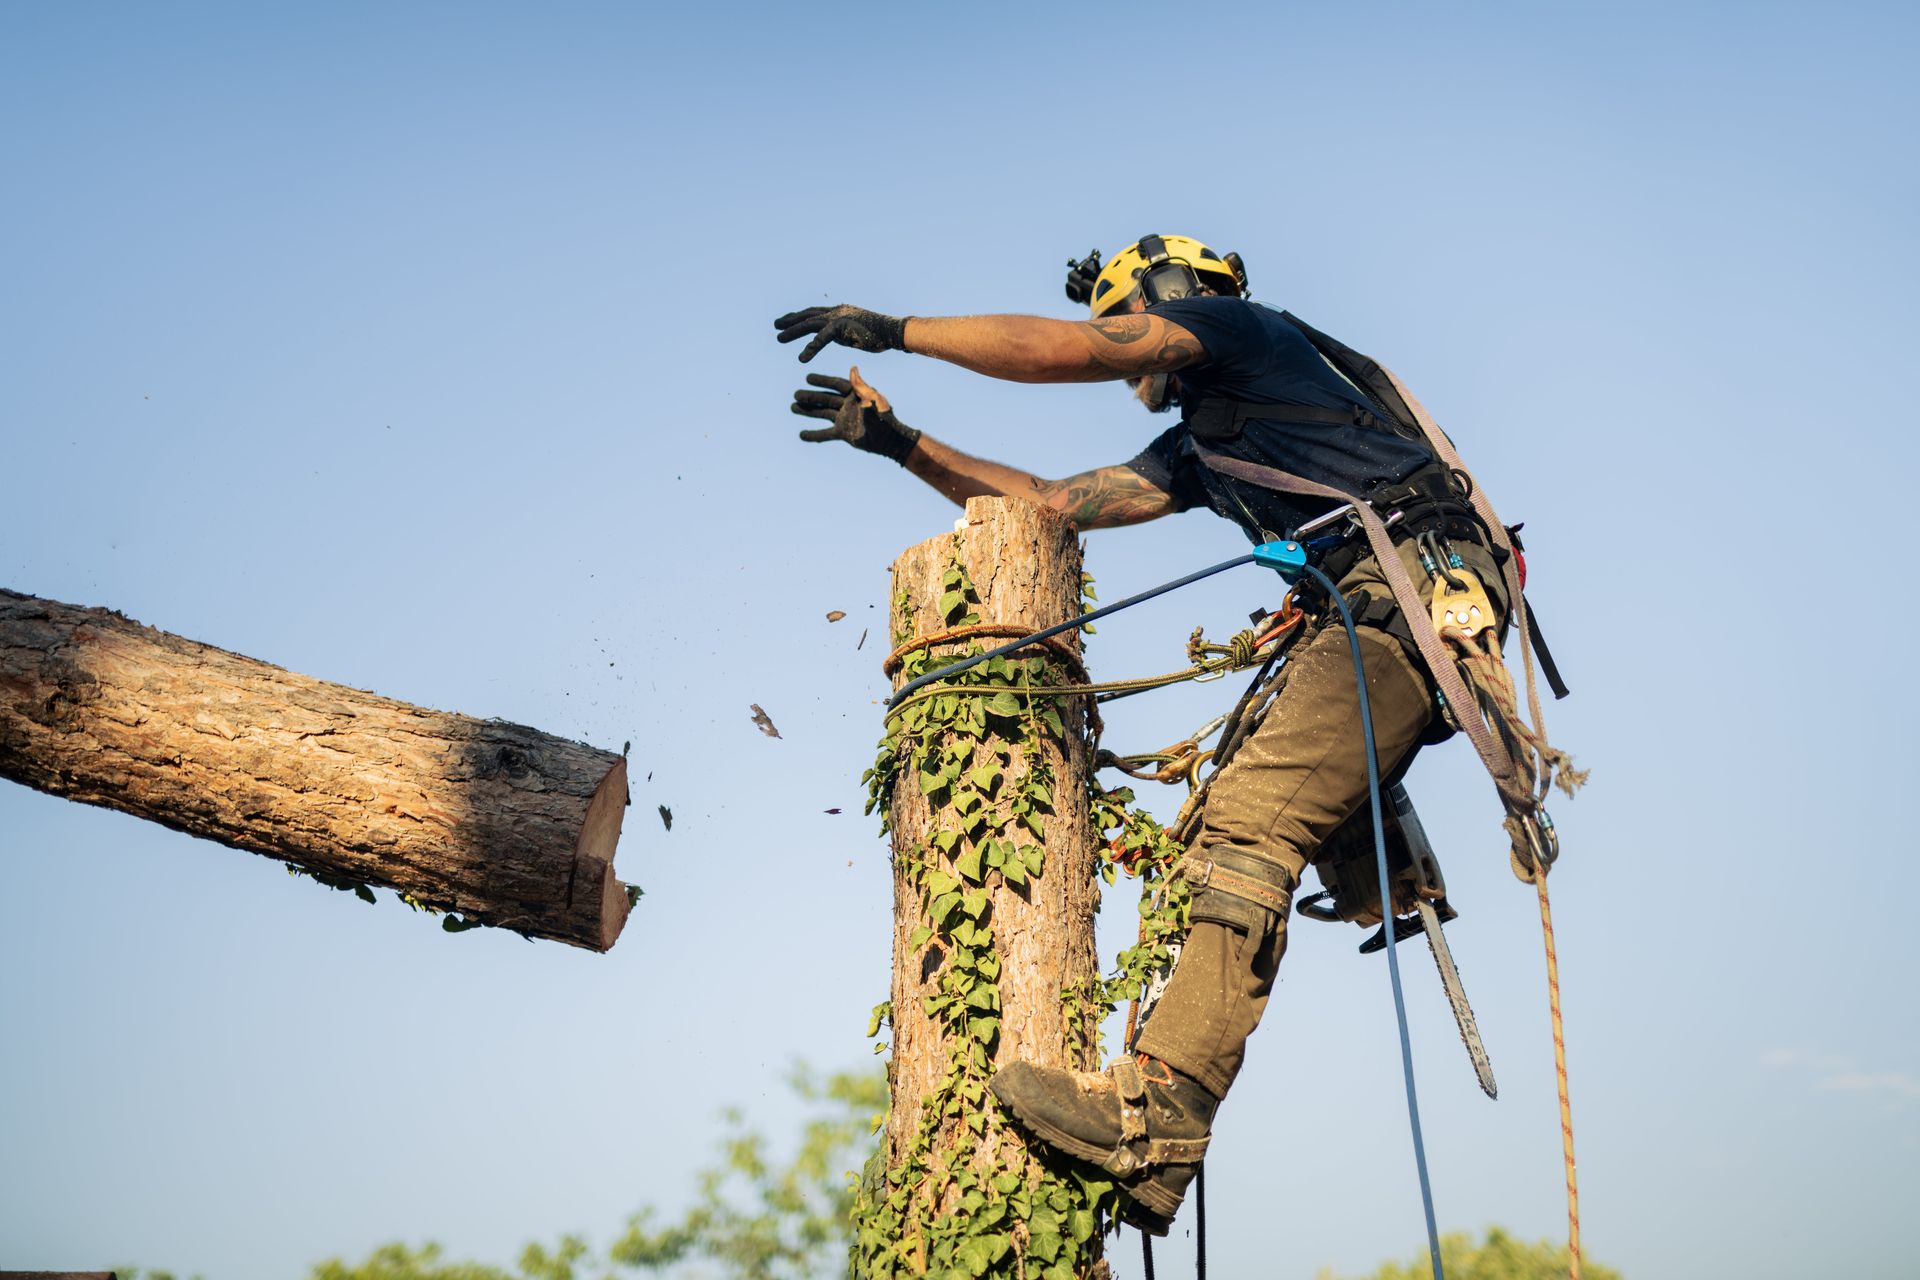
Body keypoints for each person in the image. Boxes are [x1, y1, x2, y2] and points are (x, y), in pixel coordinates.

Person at [774, 235, 1508, 1233]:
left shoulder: (1234, 329)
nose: (1125, 346)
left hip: (1406, 591)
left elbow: (1070, 349)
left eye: (1128, 310)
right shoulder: (1203, 445)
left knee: (1250, 817)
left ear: (1171, 296)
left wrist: (898, 332)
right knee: (1235, 807)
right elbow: (1046, 505)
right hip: (1381, 600)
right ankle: (1352, 874)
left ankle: (1159, 1110)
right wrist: (903, 442)